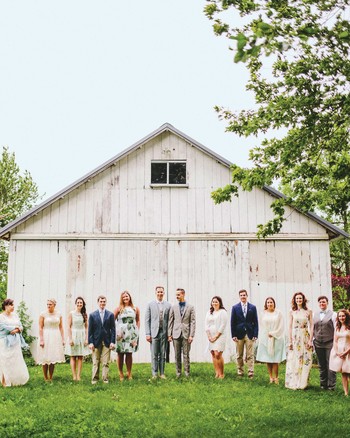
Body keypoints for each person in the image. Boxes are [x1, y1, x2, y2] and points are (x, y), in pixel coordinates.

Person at [285, 292, 313, 390]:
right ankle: (295, 381)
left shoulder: (308, 311)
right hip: (296, 337)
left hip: (305, 336)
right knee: (295, 358)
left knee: (306, 358)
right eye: (297, 298)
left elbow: (312, 325)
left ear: (303, 299)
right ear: (294, 300)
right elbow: (289, 327)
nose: (298, 300)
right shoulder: (292, 311)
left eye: (300, 298)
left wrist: (310, 340)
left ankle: (303, 382)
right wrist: (290, 341)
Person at [256, 297, 285, 384]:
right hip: (266, 337)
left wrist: (273, 333)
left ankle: (276, 377)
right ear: (266, 304)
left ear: (274, 303)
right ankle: (270, 377)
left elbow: (281, 326)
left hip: (276, 337)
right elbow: (261, 325)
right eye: (268, 302)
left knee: (275, 359)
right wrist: (265, 334)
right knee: (268, 358)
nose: (269, 304)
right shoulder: (263, 314)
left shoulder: (278, 313)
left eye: (271, 302)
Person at [0, 298, 29, 386]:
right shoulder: (1, 316)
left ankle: (15, 380)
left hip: (15, 341)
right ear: (6, 306)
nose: (13, 307)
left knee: (15, 360)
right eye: (11, 305)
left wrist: (16, 330)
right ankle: (5, 381)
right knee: (5, 359)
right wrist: (14, 328)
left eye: (13, 305)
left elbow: (21, 326)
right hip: (5, 341)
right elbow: (4, 327)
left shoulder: (15, 315)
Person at [168, 288, 196, 378]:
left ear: (183, 294)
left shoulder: (190, 307)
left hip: (186, 334)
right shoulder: (173, 307)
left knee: (186, 354)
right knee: (177, 355)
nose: (177, 296)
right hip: (176, 333)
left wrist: (191, 335)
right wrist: (169, 334)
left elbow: (193, 322)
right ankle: (178, 374)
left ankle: (187, 373)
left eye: (178, 294)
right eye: (176, 295)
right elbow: (170, 321)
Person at [231, 289, 259, 378]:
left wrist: (255, 334)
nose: (243, 297)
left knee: (250, 354)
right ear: (239, 297)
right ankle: (240, 371)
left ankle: (251, 372)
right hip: (239, 334)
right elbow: (233, 322)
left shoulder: (252, 307)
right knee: (239, 354)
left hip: (249, 334)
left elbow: (256, 322)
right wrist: (233, 335)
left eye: (244, 295)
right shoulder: (235, 308)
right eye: (241, 295)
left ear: (247, 296)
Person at [145, 286, 171, 379]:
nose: (160, 293)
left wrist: (169, 334)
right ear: (155, 293)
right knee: (154, 354)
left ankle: (162, 373)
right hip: (154, 332)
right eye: (158, 292)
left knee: (163, 354)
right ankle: (154, 374)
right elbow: (147, 320)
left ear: (164, 293)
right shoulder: (150, 304)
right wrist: (148, 333)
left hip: (164, 332)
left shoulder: (168, 305)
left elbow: (170, 320)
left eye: (161, 292)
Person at [88, 295, 115, 384]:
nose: (102, 303)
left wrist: (112, 342)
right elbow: (90, 330)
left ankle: (105, 379)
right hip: (96, 341)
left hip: (107, 341)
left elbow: (113, 329)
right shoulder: (92, 315)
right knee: (96, 361)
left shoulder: (110, 314)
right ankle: (94, 379)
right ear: (98, 302)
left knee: (106, 362)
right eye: (101, 301)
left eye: (104, 302)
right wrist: (90, 342)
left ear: (106, 303)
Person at [37, 298, 65, 381]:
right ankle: (45, 377)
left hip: (55, 336)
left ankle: (51, 377)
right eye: (47, 304)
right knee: (45, 357)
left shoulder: (59, 314)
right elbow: (40, 327)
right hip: (46, 335)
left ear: (54, 305)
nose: (48, 306)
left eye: (50, 304)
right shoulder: (43, 314)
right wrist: (41, 339)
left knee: (53, 357)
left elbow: (61, 327)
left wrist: (63, 339)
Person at [114, 291, 140, 381]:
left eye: (127, 296)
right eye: (124, 297)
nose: (125, 298)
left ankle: (129, 373)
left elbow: (137, 320)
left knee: (129, 353)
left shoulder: (135, 308)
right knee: (120, 353)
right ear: (122, 298)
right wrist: (116, 331)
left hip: (131, 333)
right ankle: (120, 373)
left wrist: (137, 330)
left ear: (129, 297)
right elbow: (112, 320)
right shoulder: (118, 309)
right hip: (121, 334)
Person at [313, 295, 336, 390]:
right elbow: (313, 328)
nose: (322, 303)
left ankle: (331, 385)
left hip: (329, 342)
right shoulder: (315, 314)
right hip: (318, 342)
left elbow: (336, 329)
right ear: (318, 304)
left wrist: (335, 342)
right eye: (320, 302)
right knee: (321, 364)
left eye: (324, 302)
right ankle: (323, 384)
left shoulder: (333, 314)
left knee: (330, 364)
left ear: (327, 303)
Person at [65, 296, 90, 381]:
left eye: (81, 303)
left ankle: (79, 376)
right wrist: (70, 338)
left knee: (80, 356)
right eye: (78, 302)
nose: (79, 304)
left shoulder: (85, 314)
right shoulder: (71, 313)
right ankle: (74, 376)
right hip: (74, 334)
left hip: (81, 335)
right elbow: (68, 326)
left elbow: (87, 327)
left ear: (83, 304)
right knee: (73, 356)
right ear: (75, 304)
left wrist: (86, 339)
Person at [205, 296, 228, 378]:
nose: (214, 303)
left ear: (220, 303)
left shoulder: (223, 312)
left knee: (218, 354)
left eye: (216, 302)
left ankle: (221, 374)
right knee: (213, 353)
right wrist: (209, 336)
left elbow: (223, 325)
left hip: (220, 336)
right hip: (210, 336)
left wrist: (216, 336)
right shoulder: (209, 312)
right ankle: (217, 373)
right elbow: (206, 325)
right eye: (213, 302)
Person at [329, 309, 350, 396]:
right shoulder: (337, 327)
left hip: (348, 351)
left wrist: (346, 352)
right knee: (344, 372)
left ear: (347, 316)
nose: (341, 318)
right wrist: (337, 352)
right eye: (340, 316)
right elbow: (335, 340)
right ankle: (346, 392)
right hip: (340, 351)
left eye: (343, 316)